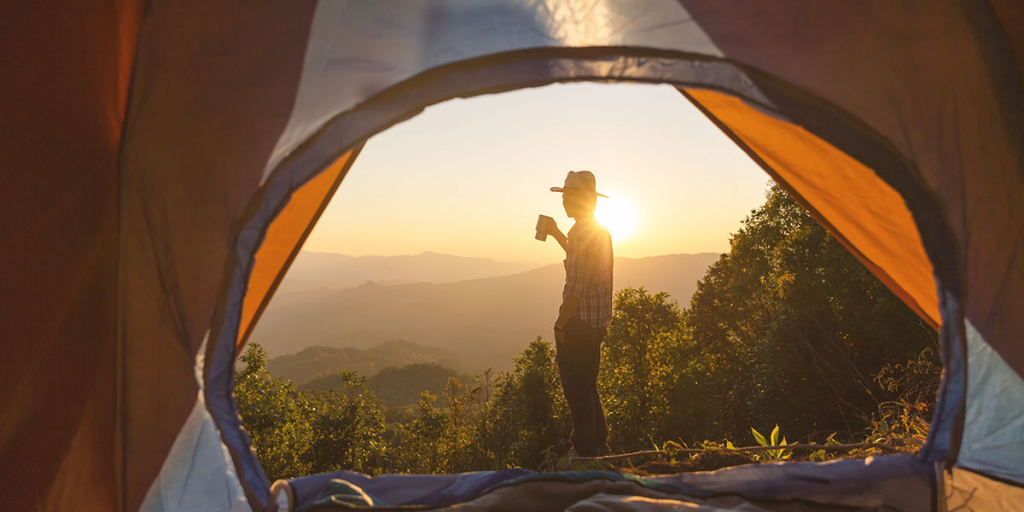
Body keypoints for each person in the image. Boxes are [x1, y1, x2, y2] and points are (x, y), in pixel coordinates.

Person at [544, 170, 613, 457]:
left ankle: (584, 451)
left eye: (568, 196)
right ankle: (598, 441)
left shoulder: (584, 234)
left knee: (576, 389)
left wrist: (560, 325)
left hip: (579, 325)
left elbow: (575, 288)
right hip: (596, 324)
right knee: (588, 384)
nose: (564, 202)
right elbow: (580, 259)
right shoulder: (595, 231)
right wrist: (557, 232)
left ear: (582, 200)